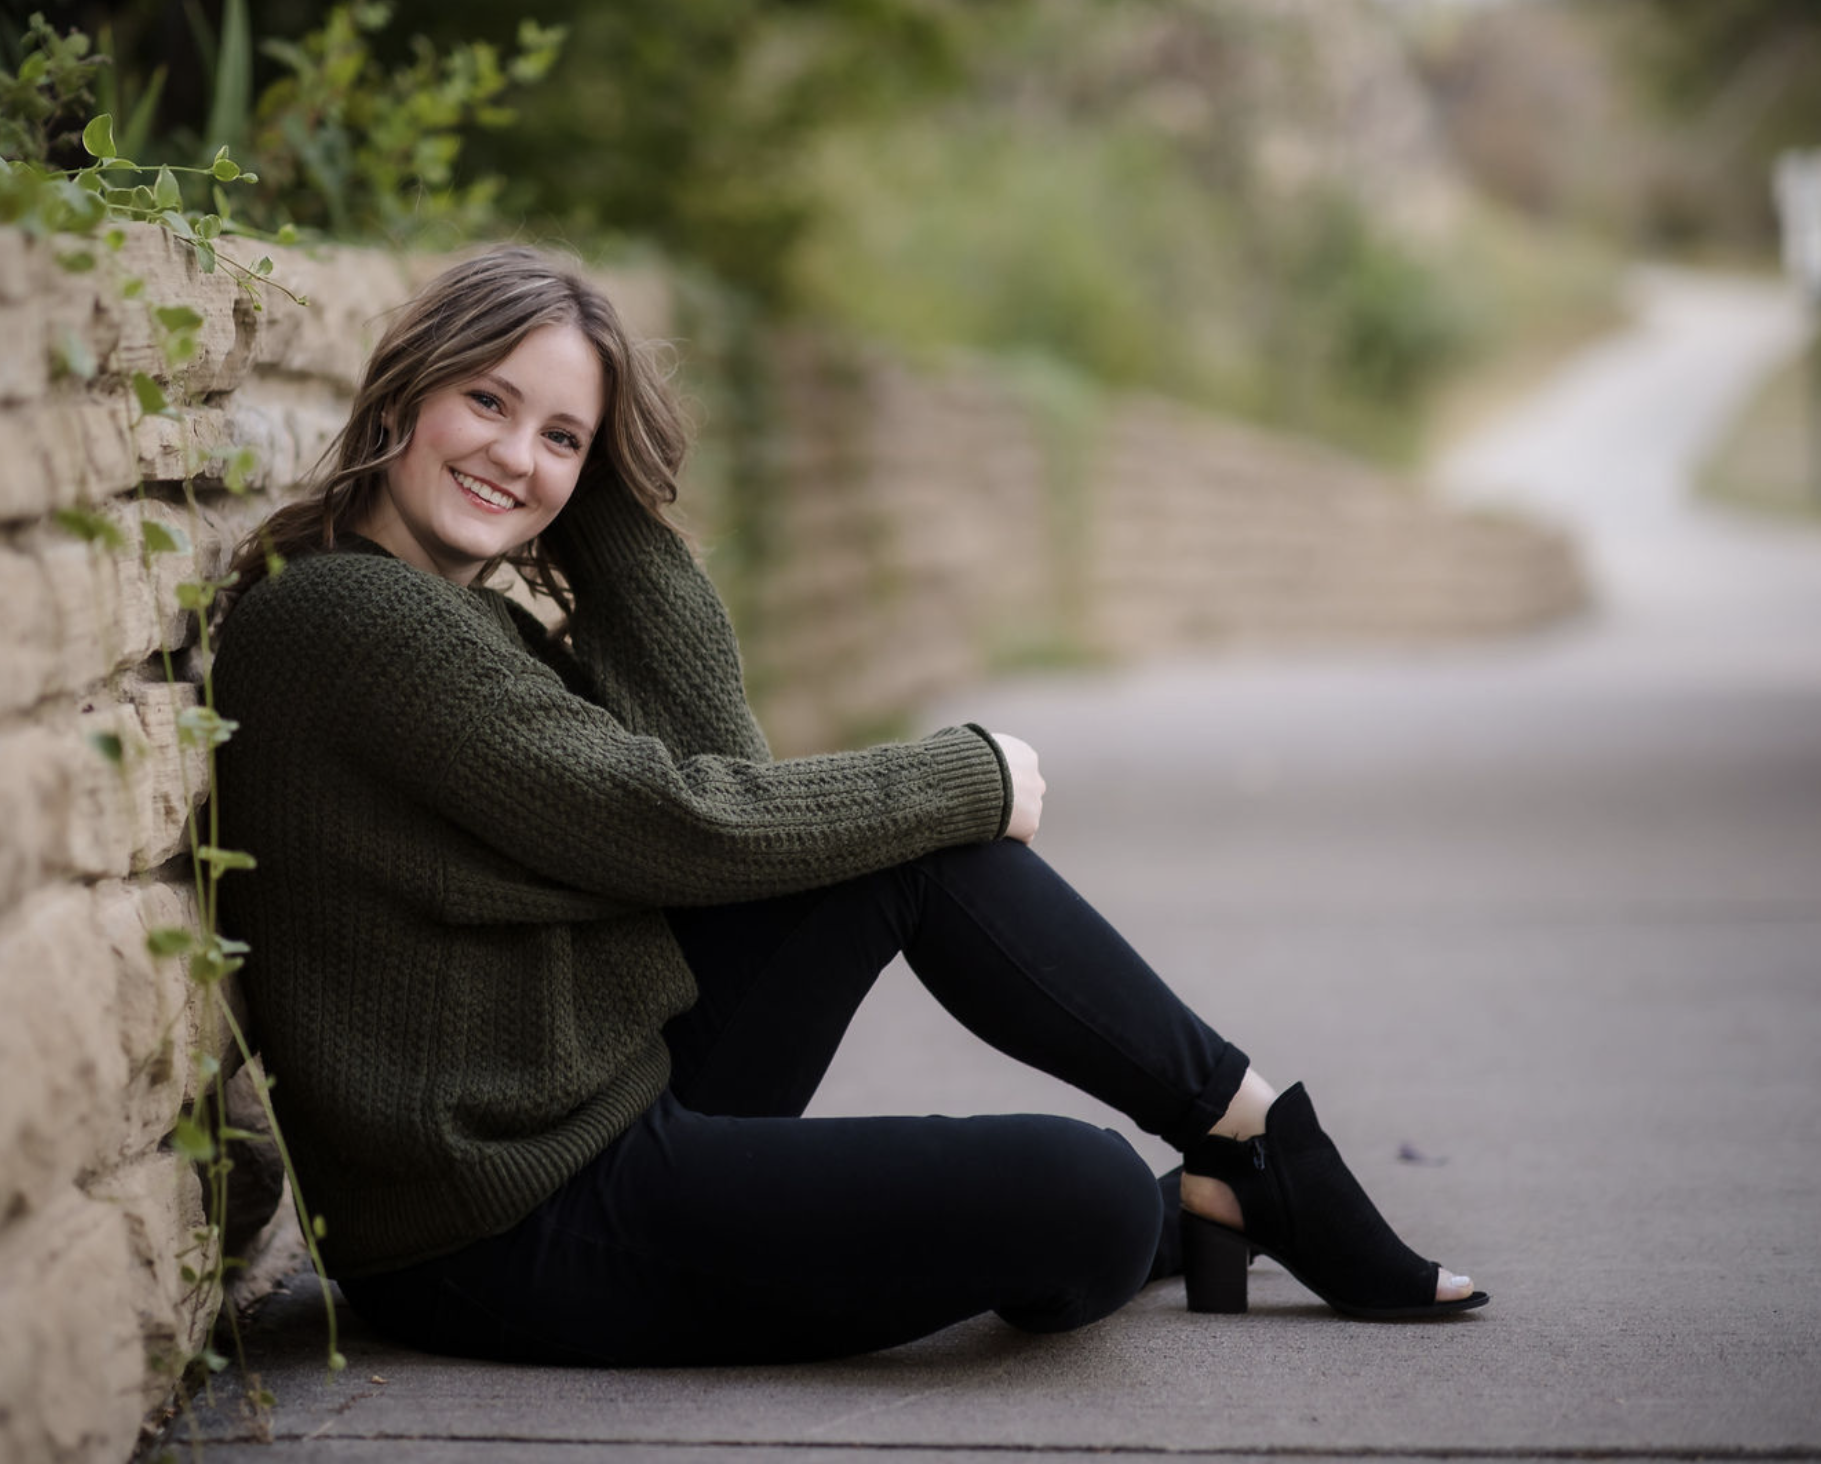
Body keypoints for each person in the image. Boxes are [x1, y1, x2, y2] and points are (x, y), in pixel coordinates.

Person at [210, 246, 1486, 1367]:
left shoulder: (450, 610)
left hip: (595, 1104)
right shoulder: (347, 620)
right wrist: (970, 776)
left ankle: (1256, 1141)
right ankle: (1204, 1204)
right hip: (501, 1224)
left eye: (563, 437)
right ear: (406, 388)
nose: (513, 455)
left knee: (915, 856)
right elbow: (680, 822)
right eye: (487, 402)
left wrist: (588, 505)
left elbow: (723, 766)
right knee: (1088, 1195)